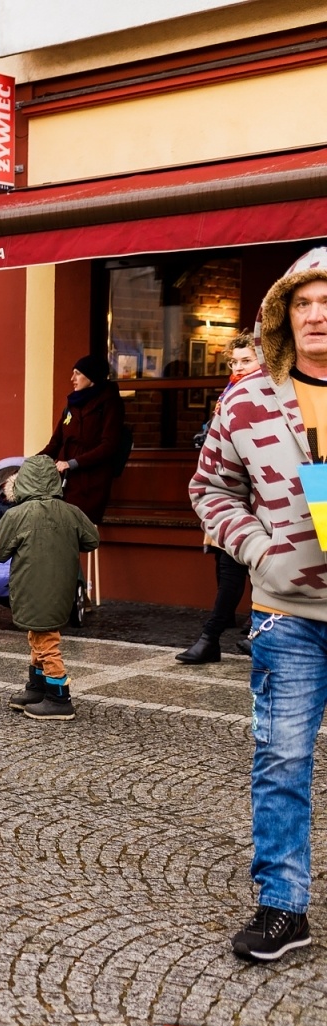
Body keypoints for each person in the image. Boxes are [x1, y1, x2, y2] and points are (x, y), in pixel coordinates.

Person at [190, 246, 327, 963]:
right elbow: (210, 490)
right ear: (283, 315)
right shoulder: (247, 399)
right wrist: (261, 551)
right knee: (282, 762)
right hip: (288, 615)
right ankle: (282, 907)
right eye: (304, 303)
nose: (317, 315)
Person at [0, 456, 99, 722]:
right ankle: (37, 688)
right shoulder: (71, 512)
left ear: (23, 482)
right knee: (39, 635)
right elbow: (91, 541)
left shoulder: (16, 515)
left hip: (30, 588)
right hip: (62, 589)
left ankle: (59, 698)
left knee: (46, 642)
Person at [177, 334, 262, 665]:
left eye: (246, 361)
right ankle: (212, 637)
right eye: (233, 362)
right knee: (230, 569)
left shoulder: (277, 395)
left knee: (264, 571)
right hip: (233, 498)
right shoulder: (228, 396)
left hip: (269, 502)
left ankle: (251, 632)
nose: (238, 368)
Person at [40, 353, 126, 525]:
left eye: (77, 373)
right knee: (59, 526)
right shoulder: (73, 403)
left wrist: (72, 463)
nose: (72, 378)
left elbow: (109, 445)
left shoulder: (110, 403)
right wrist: (32, 463)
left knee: (77, 527)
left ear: (92, 377)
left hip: (91, 483)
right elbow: (56, 443)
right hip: (66, 482)